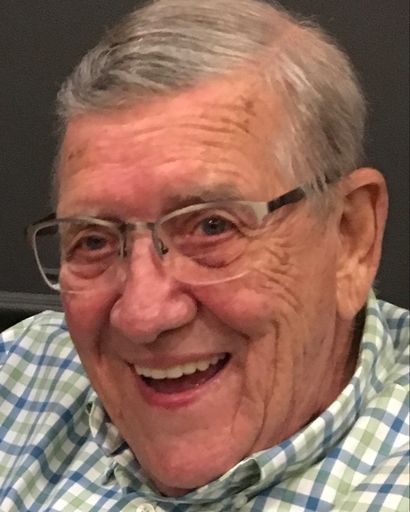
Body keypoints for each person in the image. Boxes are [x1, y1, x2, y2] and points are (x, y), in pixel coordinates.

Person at [1, 0, 408, 510]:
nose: (143, 315)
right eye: (95, 240)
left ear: (351, 238)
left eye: (212, 227)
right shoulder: (18, 373)